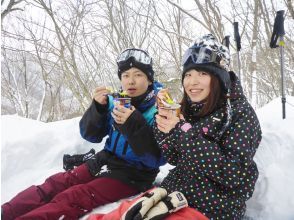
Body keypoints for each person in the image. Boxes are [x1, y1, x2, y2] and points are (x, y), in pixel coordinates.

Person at [87, 34, 262, 220]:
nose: (192, 82)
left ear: (219, 78)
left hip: (211, 207)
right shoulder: (192, 107)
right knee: (117, 216)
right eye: (188, 74)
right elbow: (174, 158)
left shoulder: (240, 114)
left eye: (203, 73)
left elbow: (232, 174)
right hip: (171, 192)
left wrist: (181, 131)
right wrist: (163, 127)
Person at [1, 48, 165, 220]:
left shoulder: (159, 109)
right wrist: (98, 109)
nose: (131, 81)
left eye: (138, 74)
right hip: (104, 159)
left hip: (134, 174)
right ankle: (6, 212)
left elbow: (156, 159)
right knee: (56, 183)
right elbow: (90, 135)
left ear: (149, 78)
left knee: (74, 196)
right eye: (125, 75)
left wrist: (133, 122)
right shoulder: (117, 102)